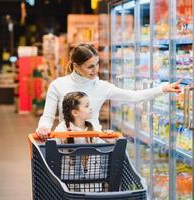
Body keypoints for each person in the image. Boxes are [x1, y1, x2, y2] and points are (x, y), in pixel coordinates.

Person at [36, 43, 182, 139]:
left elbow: (134, 97)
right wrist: (43, 128)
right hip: (67, 144)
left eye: (97, 64)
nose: (96, 70)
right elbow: (48, 117)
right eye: (90, 66)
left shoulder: (101, 87)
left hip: (95, 145)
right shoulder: (58, 85)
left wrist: (162, 89)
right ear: (75, 66)